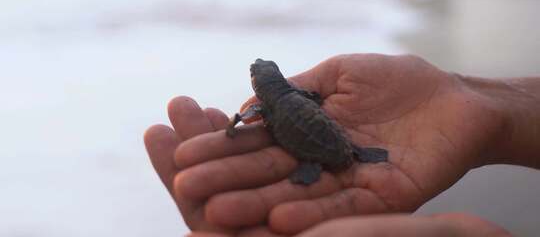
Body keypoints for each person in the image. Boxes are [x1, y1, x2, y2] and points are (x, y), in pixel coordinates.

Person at [144, 54, 539, 236]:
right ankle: (344, 156)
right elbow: (313, 101)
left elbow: (245, 118)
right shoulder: (294, 93)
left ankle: (314, 167)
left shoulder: (265, 106)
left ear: (258, 85)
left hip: (310, 150)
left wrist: (232, 128)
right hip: (337, 141)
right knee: (322, 136)